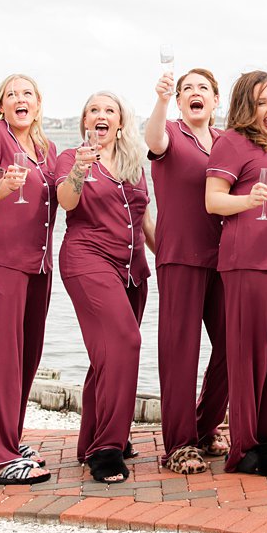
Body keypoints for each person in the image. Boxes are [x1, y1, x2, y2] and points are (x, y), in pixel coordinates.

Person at [204, 71, 267, 476]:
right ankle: (244, 447)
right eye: (263, 101)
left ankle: (263, 434)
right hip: (249, 262)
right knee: (249, 357)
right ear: (247, 104)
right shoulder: (232, 142)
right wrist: (248, 200)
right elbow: (214, 201)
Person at [54, 92, 155, 485]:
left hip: (132, 270)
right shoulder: (72, 158)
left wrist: (169, 259)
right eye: (93, 110)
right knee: (126, 343)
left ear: (120, 122)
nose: (100, 115)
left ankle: (90, 441)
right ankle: (108, 449)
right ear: (84, 122)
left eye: (108, 110)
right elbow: (65, 200)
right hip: (87, 260)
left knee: (107, 357)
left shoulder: (133, 163)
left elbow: (145, 221)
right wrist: (79, 169)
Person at [0, 74, 56, 487]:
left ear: (38, 103)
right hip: (1, 260)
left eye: (27, 93)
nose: (19, 99)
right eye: (11, 94)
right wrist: (3, 187)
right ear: (0, 105)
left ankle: (11, 439)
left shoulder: (46, 149)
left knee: (27, 357)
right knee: (1, 360)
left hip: (39, 264)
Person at [145, 67, 230, 475]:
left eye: (204, 88)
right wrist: (160, 100)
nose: (195, 94)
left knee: (234, 345)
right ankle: (178, 445)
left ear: (216, 100)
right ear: (180, 101)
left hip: (226, 257)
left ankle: (204, 425)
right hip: (179, 255)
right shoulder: (170, 135)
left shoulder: (228, 142)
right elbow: (152, 138)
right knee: (180, 353)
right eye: (187, 89)